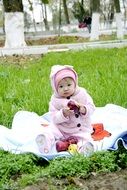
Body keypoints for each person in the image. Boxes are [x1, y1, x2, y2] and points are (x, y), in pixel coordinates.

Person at [49, 65, 95, 155]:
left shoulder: (82, 94)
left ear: (75, 83)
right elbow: (53, 117)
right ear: (55, 88)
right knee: (50, 130)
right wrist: (63, 114)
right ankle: (45, 141)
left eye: (69, 85)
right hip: (62, 129)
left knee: (85, 138)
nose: (65, 89)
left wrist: (83, 109)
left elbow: (92, 107)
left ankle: (84, 149)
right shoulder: (55, 100)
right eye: (61, 86)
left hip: (80, 129)